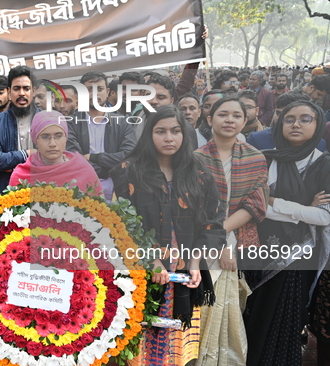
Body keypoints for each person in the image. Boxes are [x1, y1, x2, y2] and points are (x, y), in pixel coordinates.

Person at [111, 105, 225, 366]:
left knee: (175, 343)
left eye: (175, 131)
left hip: (184, 273)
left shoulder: (199, 173)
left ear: (184, 134)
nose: (169, 138)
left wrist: (195, 262)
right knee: (139, 341)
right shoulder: (128, 171)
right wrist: (151, 260)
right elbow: (120, 223)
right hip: (142, 270)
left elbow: (213, 223)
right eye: (160, 131)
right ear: (149, 135)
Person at [243, 100, 330, 366]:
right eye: (289, 118)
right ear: (280, 124)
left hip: (300, 255)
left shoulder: (324, 164)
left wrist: (276, 203)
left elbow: (324, 216)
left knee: (288, 317)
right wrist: (303, 210)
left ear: (317, 126)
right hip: (260, 252)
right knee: (256, 312)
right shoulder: (265, 157)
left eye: (306, 119)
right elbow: (255, 206)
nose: (296, 124)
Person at [194, 97, 269, 365]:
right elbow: (193, 206)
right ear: (209, 119)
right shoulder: (195, 159)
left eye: (236, 115)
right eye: (223, 114)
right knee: (200, 310)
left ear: (245, 120)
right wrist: (220, 240)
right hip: (202, 244)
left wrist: (225, 237)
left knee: (231, 312)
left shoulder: (256, 158)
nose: (229, 120)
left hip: (239, 244)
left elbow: (255, 204)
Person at [66, 71, 136, 201]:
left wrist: (94, 157)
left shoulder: (122, 122)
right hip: (81, 192)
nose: (95, 94)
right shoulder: (70, 123)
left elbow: (129, 155)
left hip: (119, 192)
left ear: (108, 91)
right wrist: (105, 171)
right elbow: (74, 159)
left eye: (100, 89)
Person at [9, 110, 102, 194]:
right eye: (45, 137)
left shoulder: (83, 169)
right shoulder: (22, 175)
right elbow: (15, 211)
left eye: (58, 136)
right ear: (35, 140)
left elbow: (98, 209)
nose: (52, 144)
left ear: (66, 138)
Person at [0, 66, 38, 193]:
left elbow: (53, 157)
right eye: (16, 88)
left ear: (33, 91)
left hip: (43, 190)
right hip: (8, 193)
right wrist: (27, 154)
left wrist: (8, 161)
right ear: (9, 92)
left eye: (26, 88)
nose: (21, 93)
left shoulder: (47, 119)